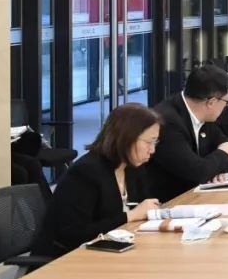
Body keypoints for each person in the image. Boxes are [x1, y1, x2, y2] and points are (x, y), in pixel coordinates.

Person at [32, 104, 163, 259]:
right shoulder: (85, 173)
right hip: (67, 259)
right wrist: (130, 216)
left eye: (155, 142)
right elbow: (73, 233)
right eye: (149, 142)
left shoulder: (132, 167)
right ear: (126, 138)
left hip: (113, 251)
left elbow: (142, 209)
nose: (152, 150)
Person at [147, 65, 228, 202]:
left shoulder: (206, 116)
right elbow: (197, 172)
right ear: (211, 102)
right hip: (169, 202)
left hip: (197, 196)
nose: (227, 106)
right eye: (226, 101)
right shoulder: (167, 121)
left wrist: (216, 169)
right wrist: (222, 155)